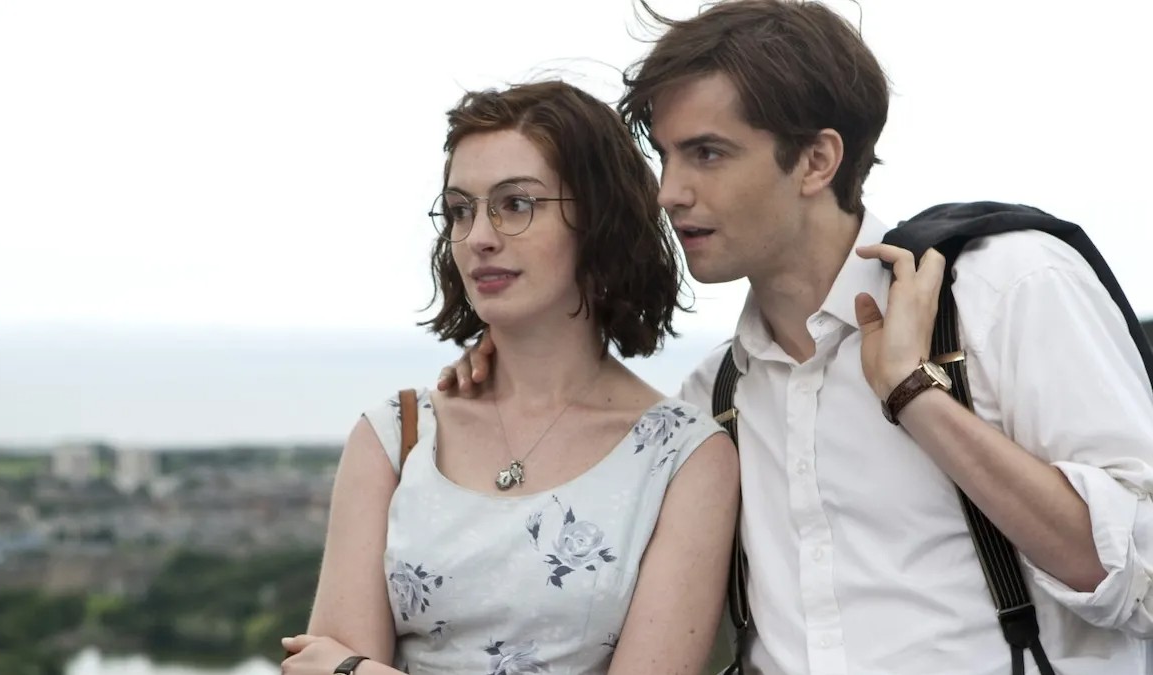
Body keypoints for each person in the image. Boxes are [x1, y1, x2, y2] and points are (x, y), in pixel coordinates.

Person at [440, 2, 1153, 673]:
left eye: (708, 154)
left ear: (816, 160)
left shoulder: (1004, 289)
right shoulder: (715, 398)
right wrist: (512, 372)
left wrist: (916, 396)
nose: (670, 191)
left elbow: (1141, 574)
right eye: (666, 155)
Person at [280, 80, 739, 675]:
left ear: (599, 220)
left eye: (515, 204)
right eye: (460, 210)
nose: (478, 238)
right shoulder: (396, 436)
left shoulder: (685, 457)